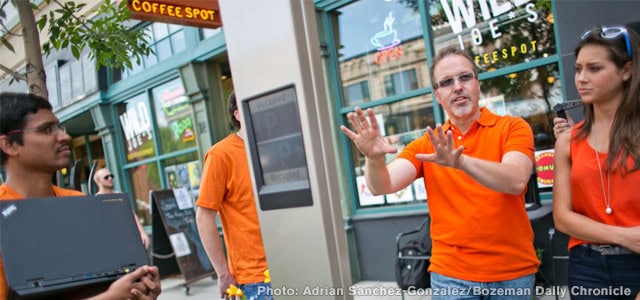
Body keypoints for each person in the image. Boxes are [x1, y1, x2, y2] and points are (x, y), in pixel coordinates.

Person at [341, 45, 539, 298]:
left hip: (512, 274)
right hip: (451, 278)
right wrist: (373, 159)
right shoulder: (428, 144)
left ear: (477, 84)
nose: (457, 86)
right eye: (446, 82)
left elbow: (515, 180)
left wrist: (461, 162)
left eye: (465, 77)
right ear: (437, 94)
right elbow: (382, 186)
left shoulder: (512, 128)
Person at [0, 92, 161, 300]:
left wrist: (142, 288)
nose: (64, 137)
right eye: (47, 129)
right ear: (9, 145)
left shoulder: (79, 202)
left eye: (59, 127)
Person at [553, 25, 640, 299]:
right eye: (578, 69)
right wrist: (623, 236)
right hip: (586, 268)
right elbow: (563, 218)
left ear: (626, 71)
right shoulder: (567, 141)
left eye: (594, 68)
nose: (581, 78)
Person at [195, 92, 272, 300]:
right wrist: (223, 273)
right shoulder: (220, 155)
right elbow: (203, 218)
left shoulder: (276, 145)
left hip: (295, 263)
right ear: (237, 114)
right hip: (256, 278)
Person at [94, 167, 151, 249]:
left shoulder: (120, 196)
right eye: (106, 177)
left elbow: (132, 215)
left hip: (126, 237)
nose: (110, 178)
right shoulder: (96, 200)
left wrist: (142, 233)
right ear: (98, 181)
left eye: (111, 176)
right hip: (109, 241)